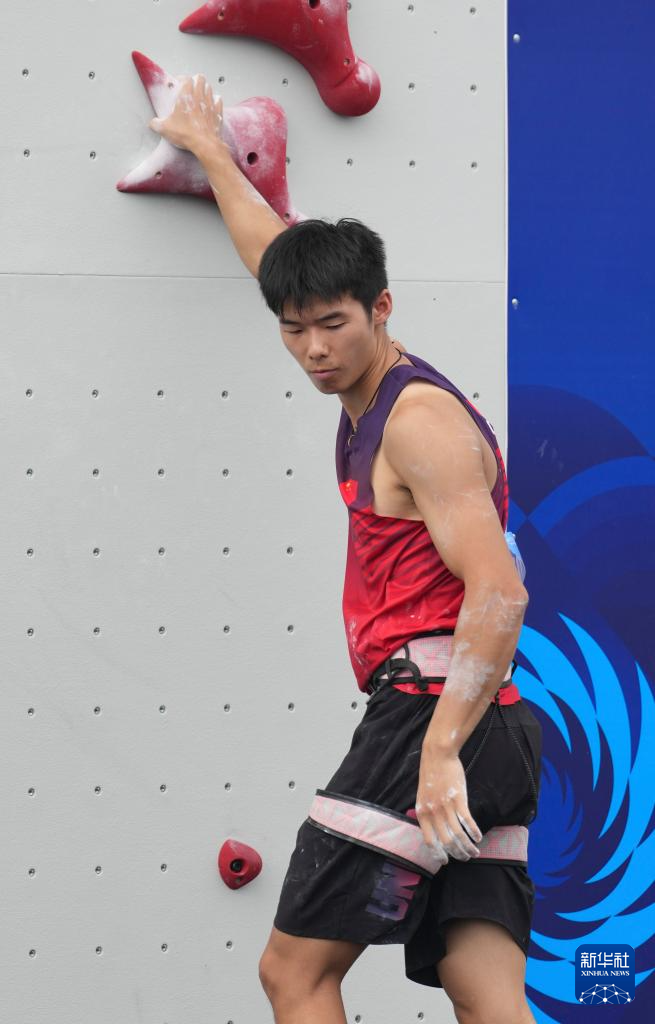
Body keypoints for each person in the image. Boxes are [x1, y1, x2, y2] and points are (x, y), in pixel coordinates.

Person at [150, 75, 542, 1024]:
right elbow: (272, 254)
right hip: (493, 730)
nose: (314, 349)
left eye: (333, 325)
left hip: (432, 718)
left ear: (382, 308)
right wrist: (209, 149)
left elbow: (499, 592)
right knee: (482, 987)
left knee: (293, 974)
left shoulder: (417, 422)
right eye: (295, 330)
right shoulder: (354, 371)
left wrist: (437, 752)